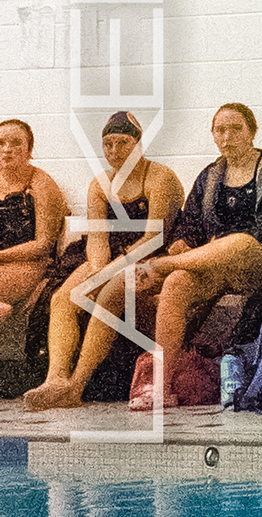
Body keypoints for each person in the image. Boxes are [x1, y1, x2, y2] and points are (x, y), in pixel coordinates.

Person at [24, 112, 181, 410]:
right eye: (108, 144)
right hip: (112, 257)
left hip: (150, 256)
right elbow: (97, 241)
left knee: (104, 295)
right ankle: (55, 379)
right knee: (63, 298)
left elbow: (153, 240)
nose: (114, 151)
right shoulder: (100, 184)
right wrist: (97, 272)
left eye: (123, 143)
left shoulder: (159, 178)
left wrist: (104, 278)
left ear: (138, 144)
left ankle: (76, 385)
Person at [135, 105, 262, 370]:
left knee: (240, 241)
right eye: (220, 130)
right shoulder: (210, 176)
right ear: (213, 134)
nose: (227, 137)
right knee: (177, 281)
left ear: (252, 132)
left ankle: (160, 265)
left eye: (236, 129)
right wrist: (183, 242)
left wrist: (216, 244)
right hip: (218, 266)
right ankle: (164, 380)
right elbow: (191, 223)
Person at [0, 120, 68, 345]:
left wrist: (2, 256)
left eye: (16, 143)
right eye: (1, 143)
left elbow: (43, 245)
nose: (7, 149)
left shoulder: (41, 184)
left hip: (28, 262)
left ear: (29, 150)